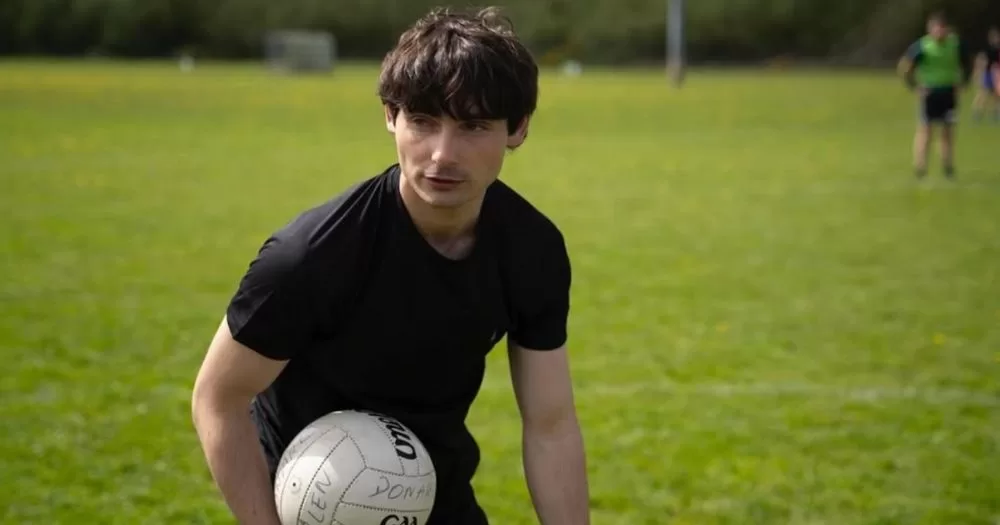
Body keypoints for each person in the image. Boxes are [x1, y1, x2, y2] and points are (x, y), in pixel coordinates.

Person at [190, 6, 590, 525]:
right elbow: (218, 396)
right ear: (390, 116)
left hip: (439, 499)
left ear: (517, 129)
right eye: (423, 122)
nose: (443, 155)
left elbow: (550, 424)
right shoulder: (311, 256)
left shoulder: (531, 250)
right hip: (309, 508)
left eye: (473, 125)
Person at [897, 12, 973, 179]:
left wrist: (964, 83)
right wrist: (915, 86)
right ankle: (920, 168)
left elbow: (968, 63)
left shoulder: (955, 44)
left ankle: (948, 167)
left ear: (946, 29)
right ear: (930, 29)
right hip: (930, 93)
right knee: (926, 131)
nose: (939, 32)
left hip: (948, 92)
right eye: (935, 29)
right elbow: (905, 66)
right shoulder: (923, 46)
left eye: (941, 28)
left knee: (947, 131)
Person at [972, 26, 1000, 122]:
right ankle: (977, 113)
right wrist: (978, 73)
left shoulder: (998, 49)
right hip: (987, 73)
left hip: (996, 74)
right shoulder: (987, 50)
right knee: (983, 94)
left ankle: (995, 114)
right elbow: (981, 61)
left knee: (996, 95)